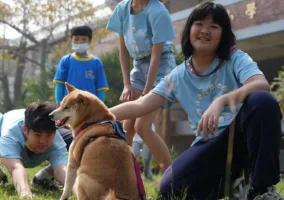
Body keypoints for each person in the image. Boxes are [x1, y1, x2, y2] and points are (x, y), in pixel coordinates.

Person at [109, 2, 283, 199]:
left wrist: (222, 101)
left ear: (222, 35)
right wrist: (98, 114)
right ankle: (234, 185)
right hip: (210, 145)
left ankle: (262, 190)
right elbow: (141, 105)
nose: (205, 31)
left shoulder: (235, 59)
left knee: (262, 101)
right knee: (170, 188)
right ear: (189, 29)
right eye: (199, 24)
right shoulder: (178, 75)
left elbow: (260, 83)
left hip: (241, 135)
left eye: (214, 27)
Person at [105, 0, 176, 172]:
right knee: (126, 127)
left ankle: (171, 178)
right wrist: (127, 85)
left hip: (163, 67)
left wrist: (147, 92)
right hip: (139, 66)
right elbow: (123, 50)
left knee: (142, 126)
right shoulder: (122, 9)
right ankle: (124, 173)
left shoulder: (158, 12)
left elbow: (156, 57)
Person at [0, 102, 73, 198]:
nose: (43, 141)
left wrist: (78, 191)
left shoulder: (57, 141)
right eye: (37, 135)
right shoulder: (10, 134)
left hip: (48, 133)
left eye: (49, 135)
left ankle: (43, 178)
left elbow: (61, 169)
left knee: (82, 142)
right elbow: (16, 167)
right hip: (0, 137)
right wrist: (25, 194)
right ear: (25, 129)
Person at [53, 25, 109, 105]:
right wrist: (59, 102)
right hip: (69, 106)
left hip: (89, 107)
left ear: (89, 41)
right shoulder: (66, 61)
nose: (79, 42)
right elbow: (60, 83)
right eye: (76, 39)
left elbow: (100, 88)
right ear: (71, 41)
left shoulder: (96, 62)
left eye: (84, 39)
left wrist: (99, 106)